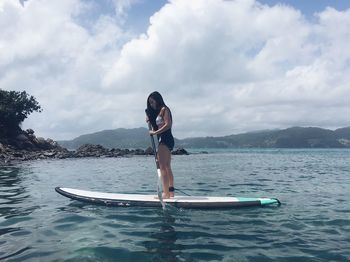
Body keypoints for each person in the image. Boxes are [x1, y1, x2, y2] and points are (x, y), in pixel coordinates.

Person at [146, 91, 175, 199]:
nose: (152, 104)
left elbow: (168, 125)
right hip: (165, 140)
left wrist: (155, 133)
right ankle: (171, 192)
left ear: (158, 100)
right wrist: (150, 120)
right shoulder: (158, 112)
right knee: (167, 167)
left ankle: (166, 194)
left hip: (165, 139)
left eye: (153, 102)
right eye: (150, 103)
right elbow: (158, 126)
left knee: (162, 166)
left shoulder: (164, 109)